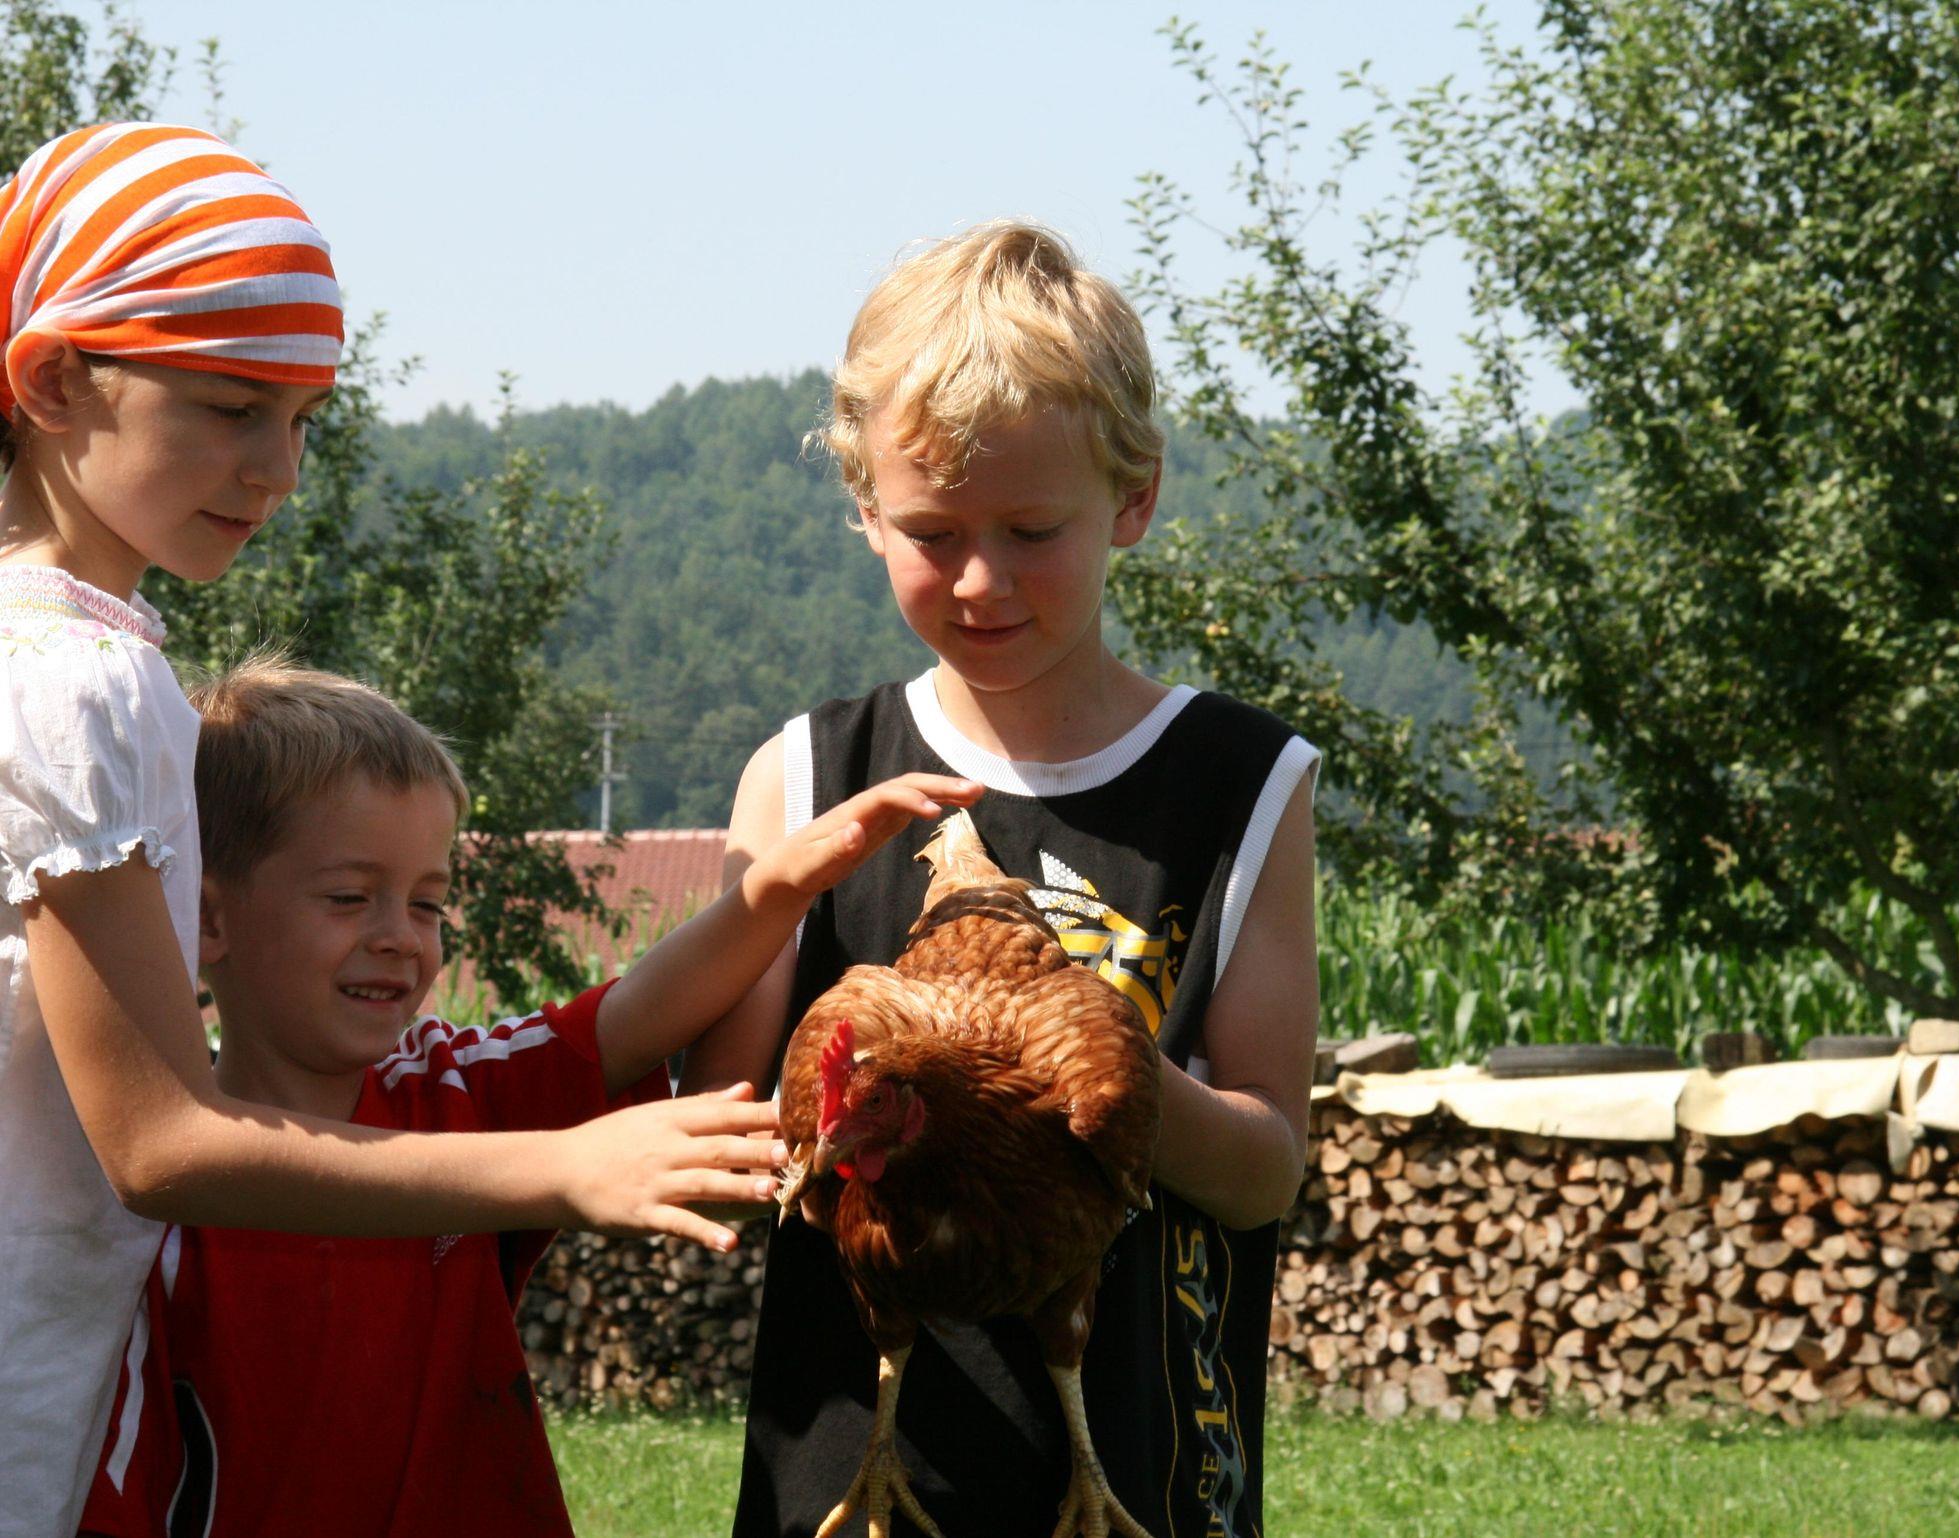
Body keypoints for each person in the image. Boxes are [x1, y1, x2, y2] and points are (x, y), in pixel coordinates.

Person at [4, 121, 755, 1533]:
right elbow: (159, 1141)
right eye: (233, 406)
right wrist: (560, 1164)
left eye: (303, 419)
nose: (277, 468)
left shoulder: (88, 661)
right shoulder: (73, 682)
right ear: (50, 378)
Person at [682, 221, 1321, 1538]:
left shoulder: (1240, 781)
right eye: (932, 530)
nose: (981, 579)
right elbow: (722, 1134)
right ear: (865, 509)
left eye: (1032, 528)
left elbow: (1264, 1169)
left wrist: (1101, 1066)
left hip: (1143, 1474)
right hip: (848, 1488)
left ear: (1133, 500)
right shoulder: (805, 777)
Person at [75, 657, 979, 1535]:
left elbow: (634, 1016)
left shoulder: (458, 1085)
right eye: (350, 897)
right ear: (206, 918)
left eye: (428, 904)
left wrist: (780, 887)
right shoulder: (154, 1204)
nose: (400, 937)